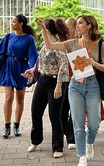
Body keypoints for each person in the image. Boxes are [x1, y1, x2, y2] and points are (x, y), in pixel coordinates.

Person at [38, 15, 104, 166]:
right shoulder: (72, 43)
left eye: (80, 23)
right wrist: (44, 29)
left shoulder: (101, 44)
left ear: (89, 25)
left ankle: (89, 143)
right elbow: (50, 45)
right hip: (75, 85)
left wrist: (93, 63)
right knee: (77, 123)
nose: (77, 26)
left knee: (94, 123)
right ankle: (82, 156)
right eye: (76, 23)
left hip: (93, 85)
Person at [22, 18, 69, 158]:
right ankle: (35, 140)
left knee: (55, 116)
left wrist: (59, 86)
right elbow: (41, 63)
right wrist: (32, 70)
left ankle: (57, 147)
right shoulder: (44, 43)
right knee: (35, 111)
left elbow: (64, 66)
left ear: (47, 30)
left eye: (43, 29)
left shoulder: (58, 44)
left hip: (56, 82)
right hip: (42, 81)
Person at [0, 14, 38, 139]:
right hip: (7, 67)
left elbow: (32, 55)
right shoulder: (8, 37)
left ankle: (16, 125)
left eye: (14, 21)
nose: (12, 24)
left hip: (21, 68)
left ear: (21, 23)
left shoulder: (29, 38)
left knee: (20, 98)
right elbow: (0, 52)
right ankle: (7, 127)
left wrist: (31, 70)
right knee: (8, 97)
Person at [62, 17, 77, 150]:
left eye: (68, 27)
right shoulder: (62, 43)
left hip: (76, 80)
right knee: (62, 110)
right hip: (63, 80)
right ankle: (67, 132)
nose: (66, 29)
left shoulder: (78, 43)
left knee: (74, 110)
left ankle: (71, 138)